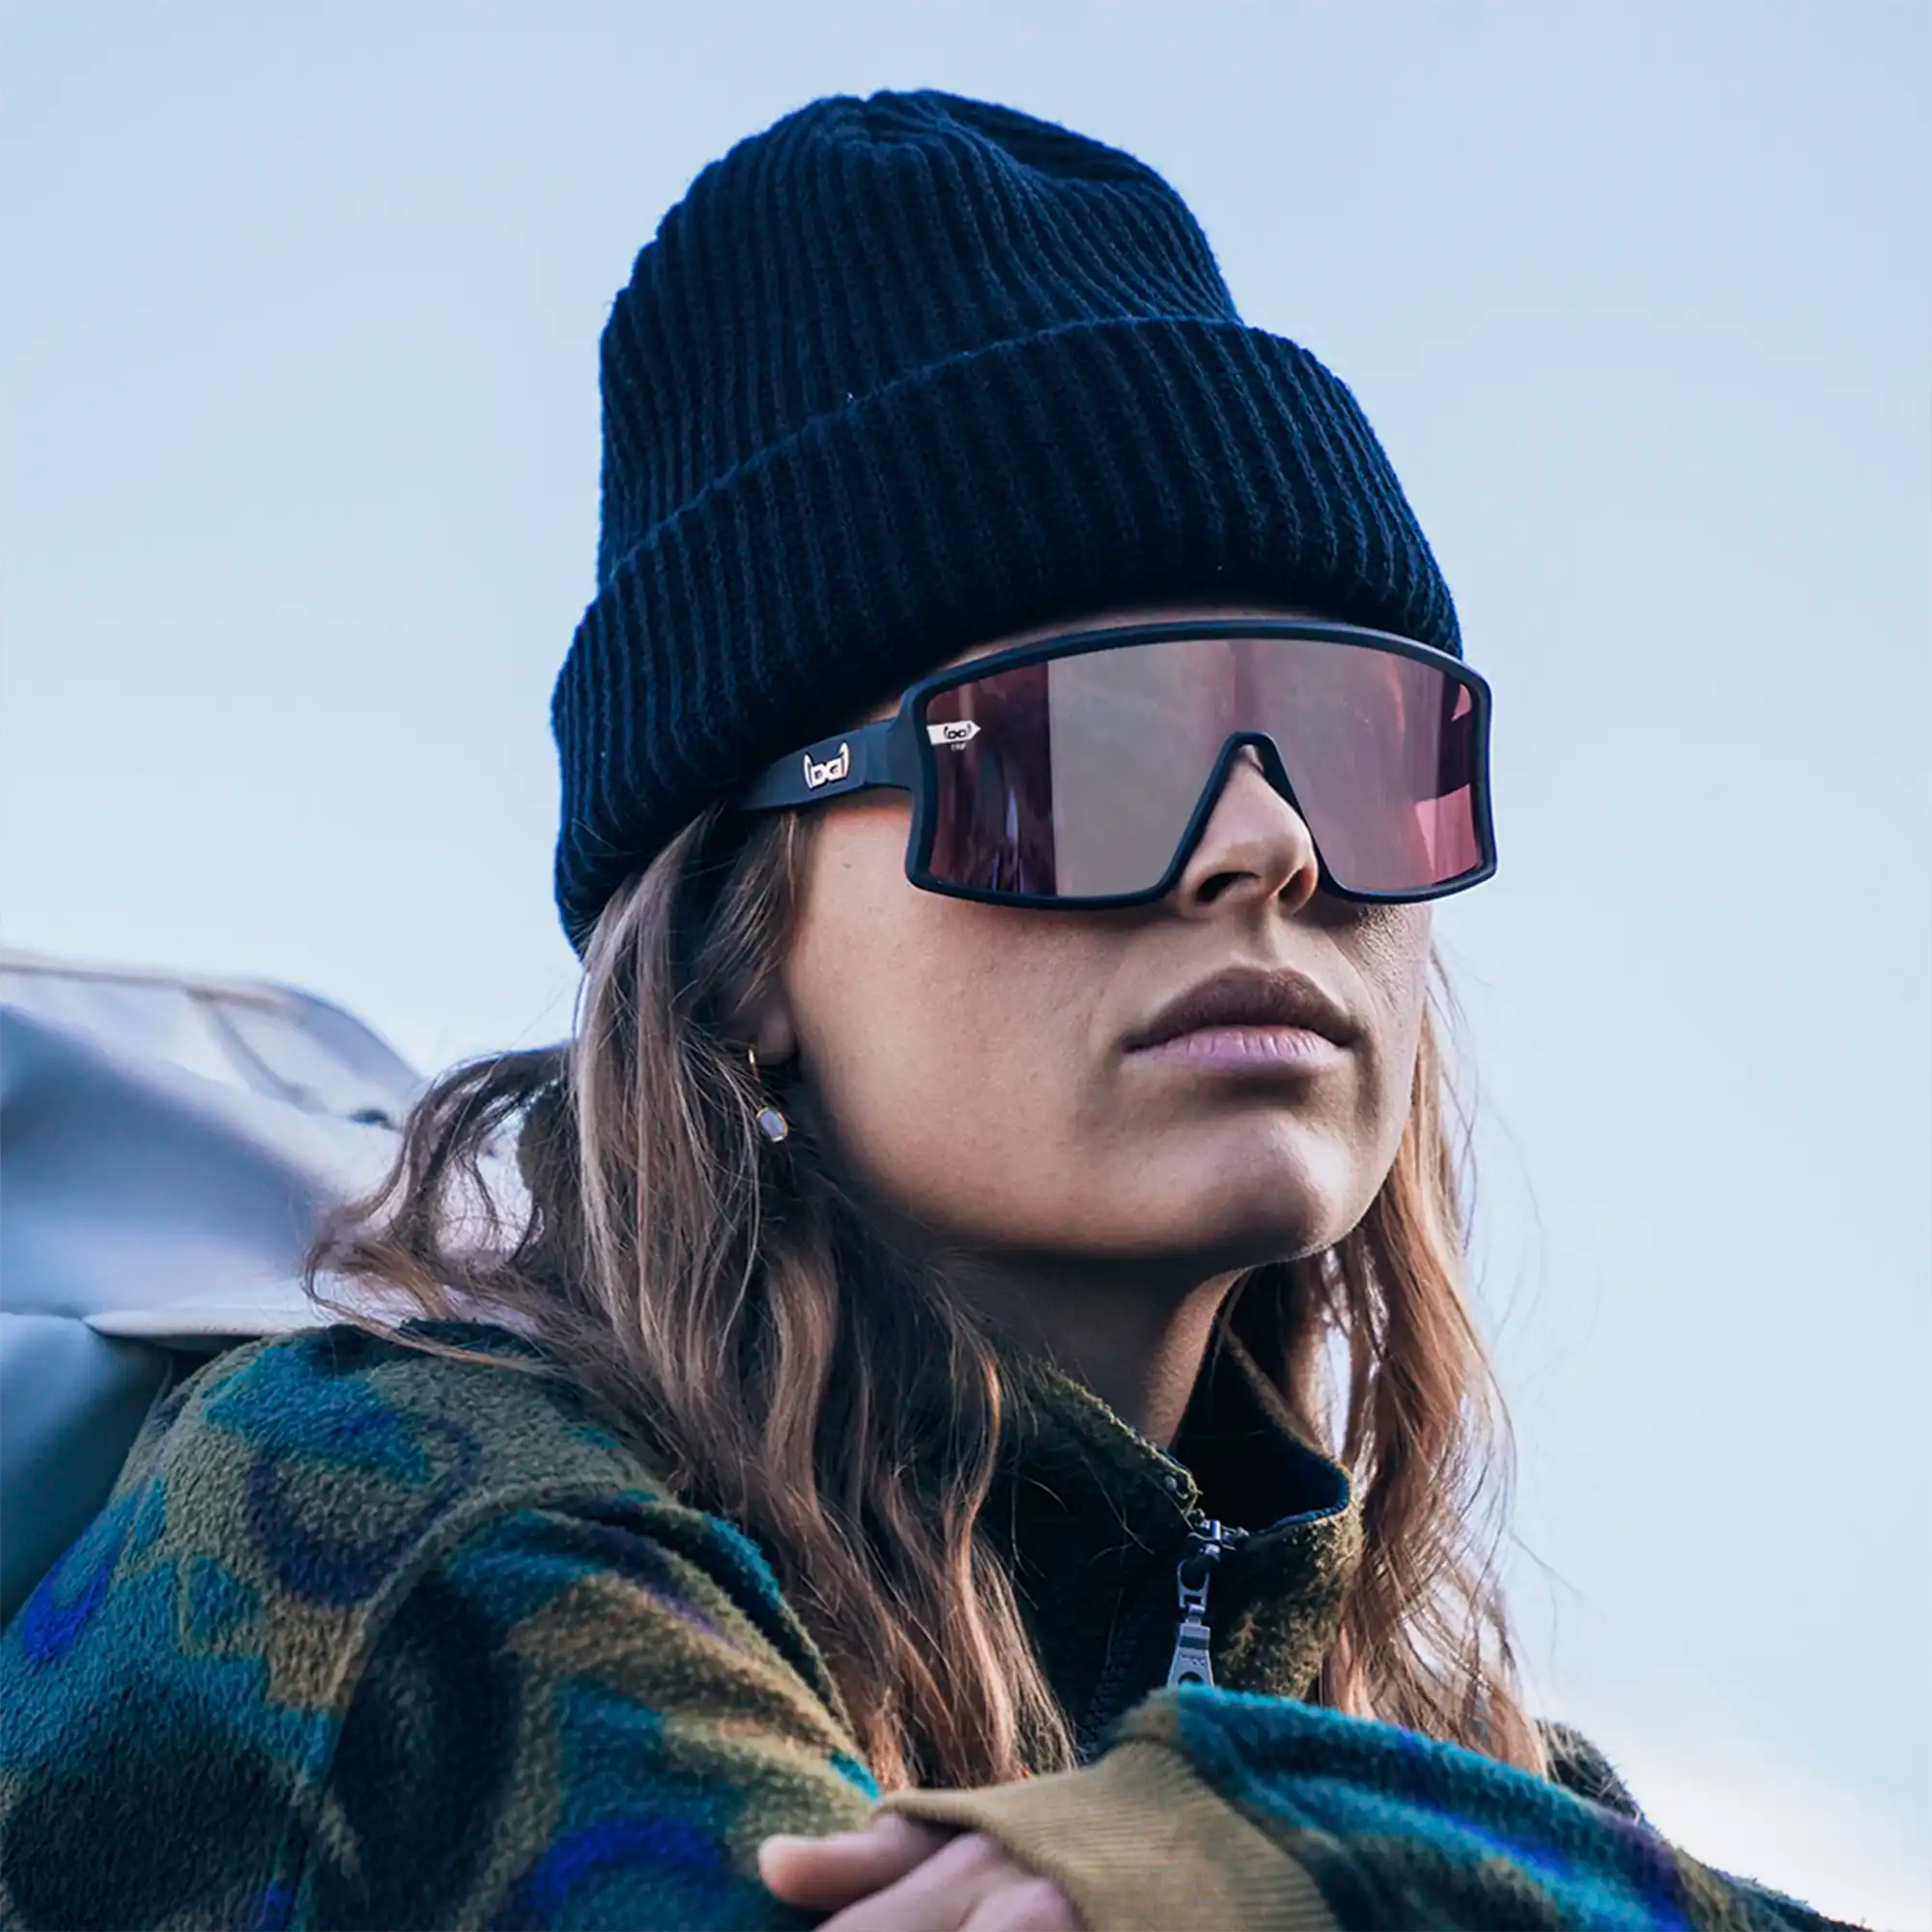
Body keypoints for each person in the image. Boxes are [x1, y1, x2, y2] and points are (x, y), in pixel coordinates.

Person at [0, 91, 1854, 1932]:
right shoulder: (408, 1528)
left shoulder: (1416, 1768)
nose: (1274, 846)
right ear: (735, 948)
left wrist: (1319, 1853)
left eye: (1367, 748)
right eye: (1081, 752)